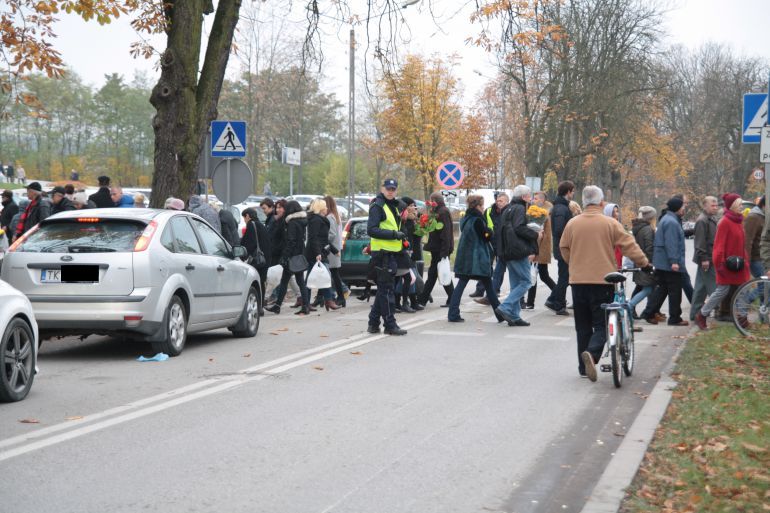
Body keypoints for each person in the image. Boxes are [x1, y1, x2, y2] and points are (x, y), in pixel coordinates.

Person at [559, 185, 649, 381]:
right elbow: (629, 246)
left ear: (584, 201)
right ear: (601, 202)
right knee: (601, 324)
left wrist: (574, 263)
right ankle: (592, 354)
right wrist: (645, 263)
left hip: (578, 281)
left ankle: (583, 368)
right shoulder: (610, 223)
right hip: (603, 280)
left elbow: (563, 247)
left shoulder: (572, 224)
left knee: (582, 326)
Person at [695, 193, 751, 330]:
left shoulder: (738, 220)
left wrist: (746, 261)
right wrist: (720, 264)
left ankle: (742, 319)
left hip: (739, 264)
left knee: (743, 290)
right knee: (722, 291)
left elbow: (741, 244)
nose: (742, 207)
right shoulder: (725, 222)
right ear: (731, 206)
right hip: (726, 265)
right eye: (739, 204)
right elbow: (718, 246)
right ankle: (701, 315)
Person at [448, 195, 506, 323]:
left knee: (462, 285)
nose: (483, 208)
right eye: (482, 205)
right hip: (477, 259)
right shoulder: (478, 220)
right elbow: (485, 236)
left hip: (465, 258)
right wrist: (490, 232)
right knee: (489, 287)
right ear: (477, 206)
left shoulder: (466, 219)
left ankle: (453, 313)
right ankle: (500, 314)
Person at [366, 178, 409, 335]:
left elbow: (395, 227)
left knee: (384, 289)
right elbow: (371, 229)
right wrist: (394, 234)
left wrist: (402, 238)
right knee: (387, 291)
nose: (390, 191)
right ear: (382, 188)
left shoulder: (393, 206)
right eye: (388, 188)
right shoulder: (378, 206)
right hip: (382, 254)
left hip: (391, 252)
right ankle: (390, 325)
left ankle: (373, 323)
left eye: (393, 189)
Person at [494, 184, 541, 327]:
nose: (531, 198)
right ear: (523, 197)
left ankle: (514, 316)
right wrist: (535, 234)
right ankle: (505, 307)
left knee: (516, 285)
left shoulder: (507, 208)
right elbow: (519, 228)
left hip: (506, 251)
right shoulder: (520, 208)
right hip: (517, 250)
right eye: (529, 195)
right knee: (526, 282)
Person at [640, 196, 688, 326]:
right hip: (669, 264)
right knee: (675, 291)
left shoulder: (667, 219)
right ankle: (674, 318)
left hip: (662, 262)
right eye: (683, 206)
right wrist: (674, 262)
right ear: (678, 208)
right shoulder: (672, 222)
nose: (684, 208)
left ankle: (648, 312)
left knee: (663, 289)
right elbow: (671, 243)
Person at [265, 201, 311, 315]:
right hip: (299, 255)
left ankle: (302, 306)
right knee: (291, 281)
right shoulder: (302, 222)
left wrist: (285, 256)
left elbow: (291, 241)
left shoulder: (292, 223)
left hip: (292, 256)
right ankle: (281, 305)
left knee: (292, 281)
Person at [417, 192, 455, 308]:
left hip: (440, 249)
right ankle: (452, 299)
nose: (429, 204)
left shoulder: (442, 212)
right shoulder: (439, 212)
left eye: (431, 201)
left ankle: (422, 300)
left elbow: (446, 233)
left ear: (434, 201)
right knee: (440, 274)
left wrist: (444, 252)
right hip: (438, 249)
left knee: (435, 274)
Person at [472, 192, 509, 304]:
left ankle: (494, 292)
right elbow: (483, 225)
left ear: (507, 201)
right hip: (490, 242)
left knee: (499, 269)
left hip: (503, 244)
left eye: (501, 201)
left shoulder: (509, 211)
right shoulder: (489, 211)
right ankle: (480, 290)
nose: (498, 203)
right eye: (497, 200)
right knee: (486, 266)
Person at [545, 181, 575, 316]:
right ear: (568, 192)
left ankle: (553, 300)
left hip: (563, 247)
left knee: (565, 276)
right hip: (563, 248)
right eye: (572, 191)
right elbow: (559, 230)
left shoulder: (561, 207)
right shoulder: (561, 208)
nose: (573, 194)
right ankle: (558, 304)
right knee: (565, 277)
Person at [306, 198, 340, 311]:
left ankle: (309, 302)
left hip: (319, 252)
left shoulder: (320, 220)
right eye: (324, 207)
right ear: (320, 208)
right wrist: (317, 253)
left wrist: (334, 250)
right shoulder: (316, 220)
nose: (326, 208)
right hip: (316, 253)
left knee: (312, 278)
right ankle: (328, 300)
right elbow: (313, 238)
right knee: (325, 275)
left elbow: (324, 239)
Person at [525, 191, 556, 309]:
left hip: (539, 248)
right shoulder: (541, 212)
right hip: (540, 248)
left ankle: (558, 295)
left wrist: (533, 250)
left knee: (535, 274)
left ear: (542, 200)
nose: (533, 200)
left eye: (536, 198)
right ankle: (530, 302)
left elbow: (539, 233)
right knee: (540, 274)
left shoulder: (542, 214)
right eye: (533, 198)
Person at [395, 197, 424, 312]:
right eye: (410, 205)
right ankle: (403, 302)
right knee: (409, 278)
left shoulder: (413, 220)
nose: (413, 208)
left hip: (413, 253)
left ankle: (411, 301)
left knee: (410, 278)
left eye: (414, 205)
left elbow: (417, 237)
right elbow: (407, 237)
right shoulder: (404, 221)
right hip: (406, 253)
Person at [241, 207, 271, 315]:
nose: (244, 220)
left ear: (248, 216)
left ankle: (257, 307)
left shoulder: (251, 225)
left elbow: (249, 243)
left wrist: (242, 254)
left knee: (253, 282)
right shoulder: (260, 225)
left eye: (244, 217)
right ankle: (260, 306)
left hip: (257, 260)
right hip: (265, 258)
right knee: (261, 282)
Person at [629, 206, 657, 315]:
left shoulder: (638, 228)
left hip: (639, 262)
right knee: (648, 289)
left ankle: (635, 311)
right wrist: (651, 262)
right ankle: (630, 307)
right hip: (646, 263)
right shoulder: (648, 229)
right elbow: (649, 247)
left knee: (641, 286)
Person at [324, 196, 347, 307]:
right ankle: (338, 297)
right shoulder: (336, 216)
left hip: (331, 250)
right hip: (336, 248)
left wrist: (323, 238)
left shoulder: (329, 217)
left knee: (333, 274)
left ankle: (340, 297)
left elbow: (331, 234)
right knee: (333, 274)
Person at [743, 195, 765, 280]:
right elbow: (747, 240)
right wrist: (747, 260)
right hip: (756, 258)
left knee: (764, 286)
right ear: (764, 205)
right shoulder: (754, 217)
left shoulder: (764, 215)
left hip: (762, 257)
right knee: (764, 286)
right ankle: (744, 294)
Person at [603, 203, 623, 269]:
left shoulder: (620, 226)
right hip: (607, 260)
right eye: (613, 212)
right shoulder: (604, 227)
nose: (616, 214)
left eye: (617, 211)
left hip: (618, 259)